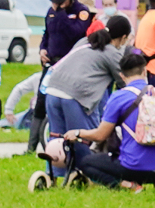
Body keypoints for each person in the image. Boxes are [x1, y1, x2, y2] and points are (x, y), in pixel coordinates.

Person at [43, 15, 131, 177]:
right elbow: (126, 82)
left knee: (57, 138)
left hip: (52, 90)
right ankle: (88, 174)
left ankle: (54, 174)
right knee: (83, 138)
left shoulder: (85, 42)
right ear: (124, 37)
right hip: (77, 96)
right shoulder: (112, 53)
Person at [59, 49, 154, 188]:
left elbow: (101, 135)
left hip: (133, 167)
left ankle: (128, 185)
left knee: (87, 163)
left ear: (122, 76)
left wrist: (78, 133)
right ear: (145, 72)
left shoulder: (119, 97)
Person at [40, 0, 92, 68]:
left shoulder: (82, 11)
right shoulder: (51, 11)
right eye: (54, 2)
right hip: (52, 62)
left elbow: (74, 33)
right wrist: (43, 48)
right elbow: (48, 33)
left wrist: (61, 13)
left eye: (61, 1)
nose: (57, 5)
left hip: (72, 63)